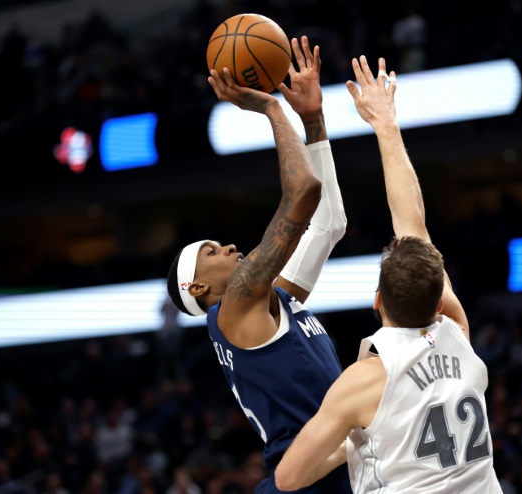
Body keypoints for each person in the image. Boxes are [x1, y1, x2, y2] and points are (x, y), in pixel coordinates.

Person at [275, 55, 503, 493]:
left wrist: (355, 443)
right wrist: (386, 124)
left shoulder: (361, 383)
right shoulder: (456, 332)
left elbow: (287, 478)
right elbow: (413, 223)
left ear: (376, 300)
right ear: (440, 303)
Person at [167, 37, 352, 493]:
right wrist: (272, 109)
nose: (228, 246)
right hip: (309, 477)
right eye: (211, 252)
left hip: (328, 469)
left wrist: (313, 120)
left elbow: (328, 225)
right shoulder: (234, 309)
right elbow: (304, 192)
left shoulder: (270, 304)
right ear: (197, 290)